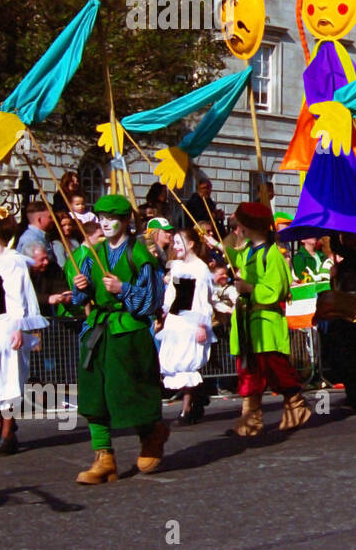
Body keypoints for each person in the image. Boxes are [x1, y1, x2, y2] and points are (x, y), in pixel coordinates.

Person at [71, 194, 169, 483]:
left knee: (130, 391)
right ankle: (104, 457)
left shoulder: (139, 255)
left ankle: (151, 433)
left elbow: (151, 301)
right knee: (93, 394)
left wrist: (123, 288)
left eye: (112, 218)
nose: (106, 223)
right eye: (102, 218)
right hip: (98, 330)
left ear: (126, 221)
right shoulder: (93, 253)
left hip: (129, 331)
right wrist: (81, 287)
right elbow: (81, 297)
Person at [223, 203, 311, 434]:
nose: (237, 228)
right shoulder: (246, 252)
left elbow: (277, 290)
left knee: (274, 367)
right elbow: (230, 252)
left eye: (240, 224)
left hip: (265, 322)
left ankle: (296, 404)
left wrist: (249, 287)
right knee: (248, 370)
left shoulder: (272, 255)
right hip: (246, 322)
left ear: (249, 226)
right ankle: (250, 417)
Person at [0, 208, 48, 456]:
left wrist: (17, 327)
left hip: (2, 324)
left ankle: (7, 432)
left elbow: (17, 296)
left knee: (6, 378)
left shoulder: (11, 260)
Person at [158, 227, 215, 425]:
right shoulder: (178, 266)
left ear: (190, 244)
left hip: (191, 321)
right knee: (173, 361)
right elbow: (174, 295)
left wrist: (201, 324)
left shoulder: (199, 268)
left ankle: (187, 408)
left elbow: (201, 299)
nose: (175, 246)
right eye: (173, 242)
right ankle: (198, 395)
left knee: (186, 363)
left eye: (178, 242)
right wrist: (165, 313)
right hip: (176, 319)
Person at [325, 231, 356, 413]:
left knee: (350, 354)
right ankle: (353, 393)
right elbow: (338, 286)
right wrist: (333, 276)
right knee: (344, 353)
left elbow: (337, 247)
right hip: (344, 307)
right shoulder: (347, 261)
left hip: (354, 309)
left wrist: (330, 232)